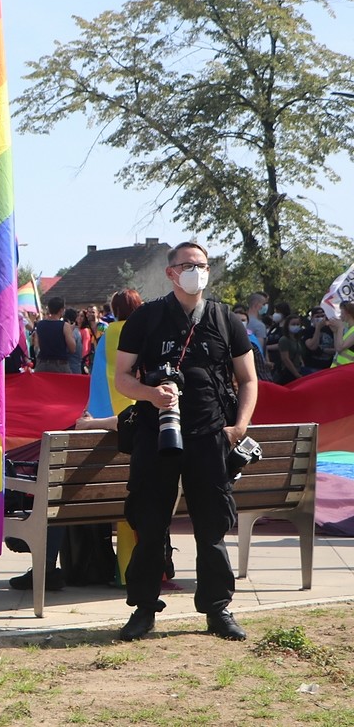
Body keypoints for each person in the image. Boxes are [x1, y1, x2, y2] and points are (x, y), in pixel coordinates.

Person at [113, 241, 257, 642]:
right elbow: (122, 376)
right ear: (171, 272)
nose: (197, 271)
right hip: (156, 433)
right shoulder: (145, 317)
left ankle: (218, 609)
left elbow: (248, 379)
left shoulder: (225, 319)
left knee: (212, 526)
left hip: (210, 436)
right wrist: (150, 394)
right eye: (189, 265)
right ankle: (143, 609)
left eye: (202, 265)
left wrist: (239, 427)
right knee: (150, 522)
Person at [32, 297, 75, 373]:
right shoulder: (65, 326)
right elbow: (72, 348)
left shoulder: (40, 324)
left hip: (42, 364)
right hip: (59, 365)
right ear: (61, 310)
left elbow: (36, 346)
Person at [333, 302, 354, 367]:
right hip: (340, 367)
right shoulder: (349, 329)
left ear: (348, 314)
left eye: (342, 313)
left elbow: (340, 347)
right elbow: (337, 348)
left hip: (348, 368)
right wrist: (335, 332)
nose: (340, 316)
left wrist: (340, 327)